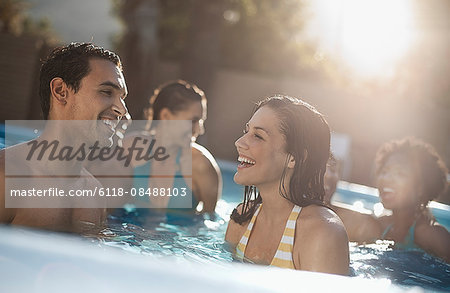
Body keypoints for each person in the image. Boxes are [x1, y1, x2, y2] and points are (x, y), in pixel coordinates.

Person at [0, 43, 128, 233]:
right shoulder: (7, 178)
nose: (122, 109)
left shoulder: (94, 193)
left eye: (122, 97)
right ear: (61, 91)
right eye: (106, 92)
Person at [225, 95, 349, 274]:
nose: (240, 142)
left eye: (258, 136)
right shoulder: (241, 219)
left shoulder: (321, 232)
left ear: (294, 158)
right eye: (246, 132)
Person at [336, 137, 450, 262]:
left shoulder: (431, 234)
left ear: (421, 188)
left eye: (399, 174)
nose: (386, 178)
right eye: (384, 171)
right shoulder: (382, 226)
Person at [124, 80, 221, 213]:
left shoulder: (201, 164)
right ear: (166, 116)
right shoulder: (131, 148)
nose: (200, 130)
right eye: (194, 121)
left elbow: (210, 220)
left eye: (201, 121)